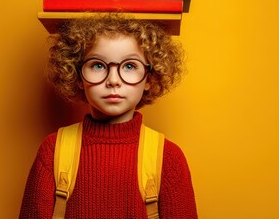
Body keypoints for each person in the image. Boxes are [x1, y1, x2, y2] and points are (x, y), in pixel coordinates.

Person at [19, 14, 197, 218]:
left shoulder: (169, 158)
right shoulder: (52, 151)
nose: (113, 80)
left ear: (149, 77)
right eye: (98, 65)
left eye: (129, 66)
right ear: (77, 76)